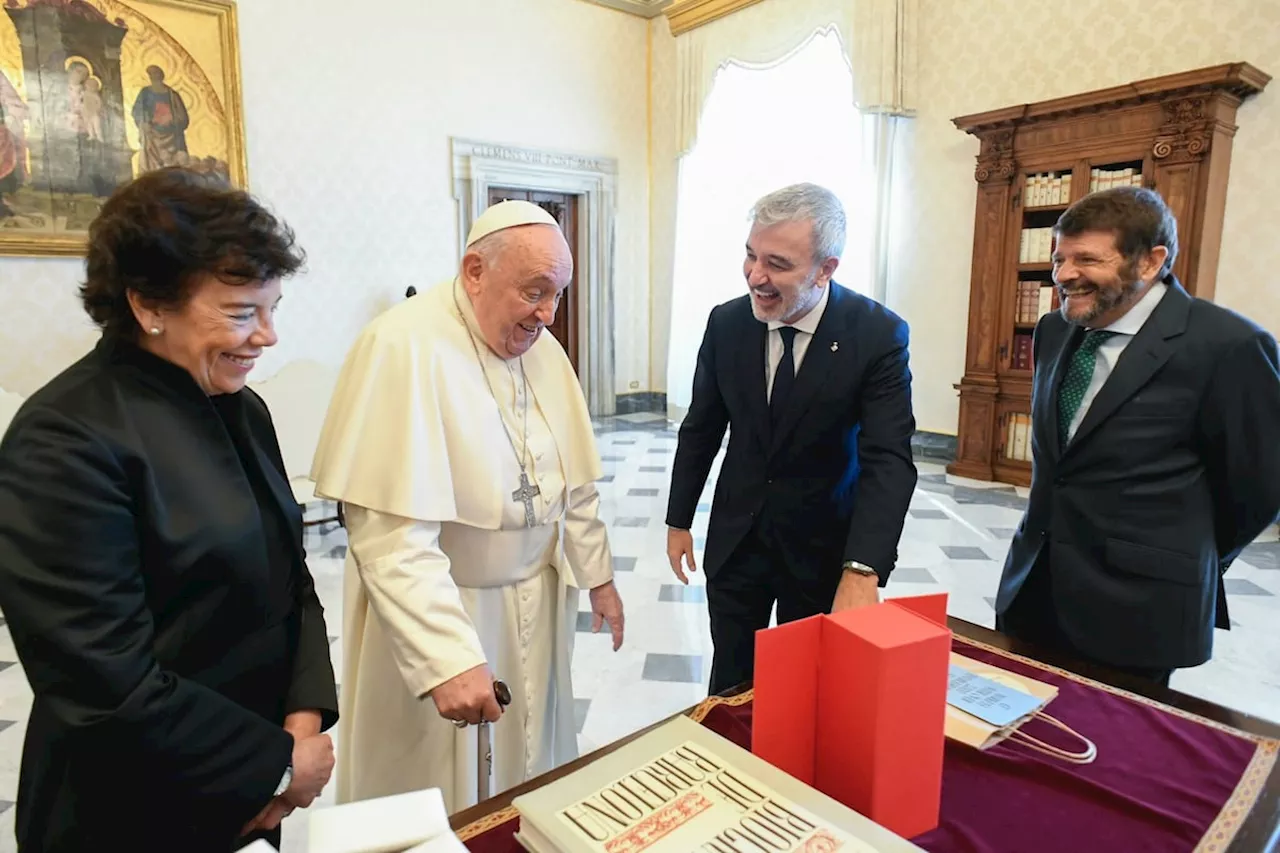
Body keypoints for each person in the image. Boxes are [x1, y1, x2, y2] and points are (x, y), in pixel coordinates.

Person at [0, 167, 339, 851]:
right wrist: (273, 763)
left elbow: (291, 578)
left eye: (272, 308)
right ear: (149, 304)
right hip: (129, 804)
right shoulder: (63, 439)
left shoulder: (244, 408)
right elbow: (103, 681)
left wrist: (301, 724)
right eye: (242, 312)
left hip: (252, 777)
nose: (267, 336)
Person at [311, 199, 625, 813]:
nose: (548, 315)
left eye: (558, 294)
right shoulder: (400, 347)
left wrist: (600, 578)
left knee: (534, 761)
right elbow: (390, 538)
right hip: (448, 607)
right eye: (535, 291)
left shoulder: (541, 346)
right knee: (438, 790)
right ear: (475, 270)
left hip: (535, 597)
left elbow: (574, 485)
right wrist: (445, 657)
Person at [995, 186, 1280, 687]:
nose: (1063, 275)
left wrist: (1185, 557)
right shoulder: (1054, 331)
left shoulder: (1228, 347)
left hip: (1139, 608)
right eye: (1059, 258)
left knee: (1117, 752)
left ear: (1150, 262)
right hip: (1033, 588)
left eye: (1086, 259)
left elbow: (1259, 489)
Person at [666, 183, 918, 695]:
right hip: (738, 541)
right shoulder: (727, 322)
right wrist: (678, 519)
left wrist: (863, 569)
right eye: (750, 255)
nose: (756, 276)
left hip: (822, 548)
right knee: (732, 686)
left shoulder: (877, 336)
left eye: (777, 264)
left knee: (812, 690)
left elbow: (888, 460)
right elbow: (702, 428)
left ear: (825, 269)